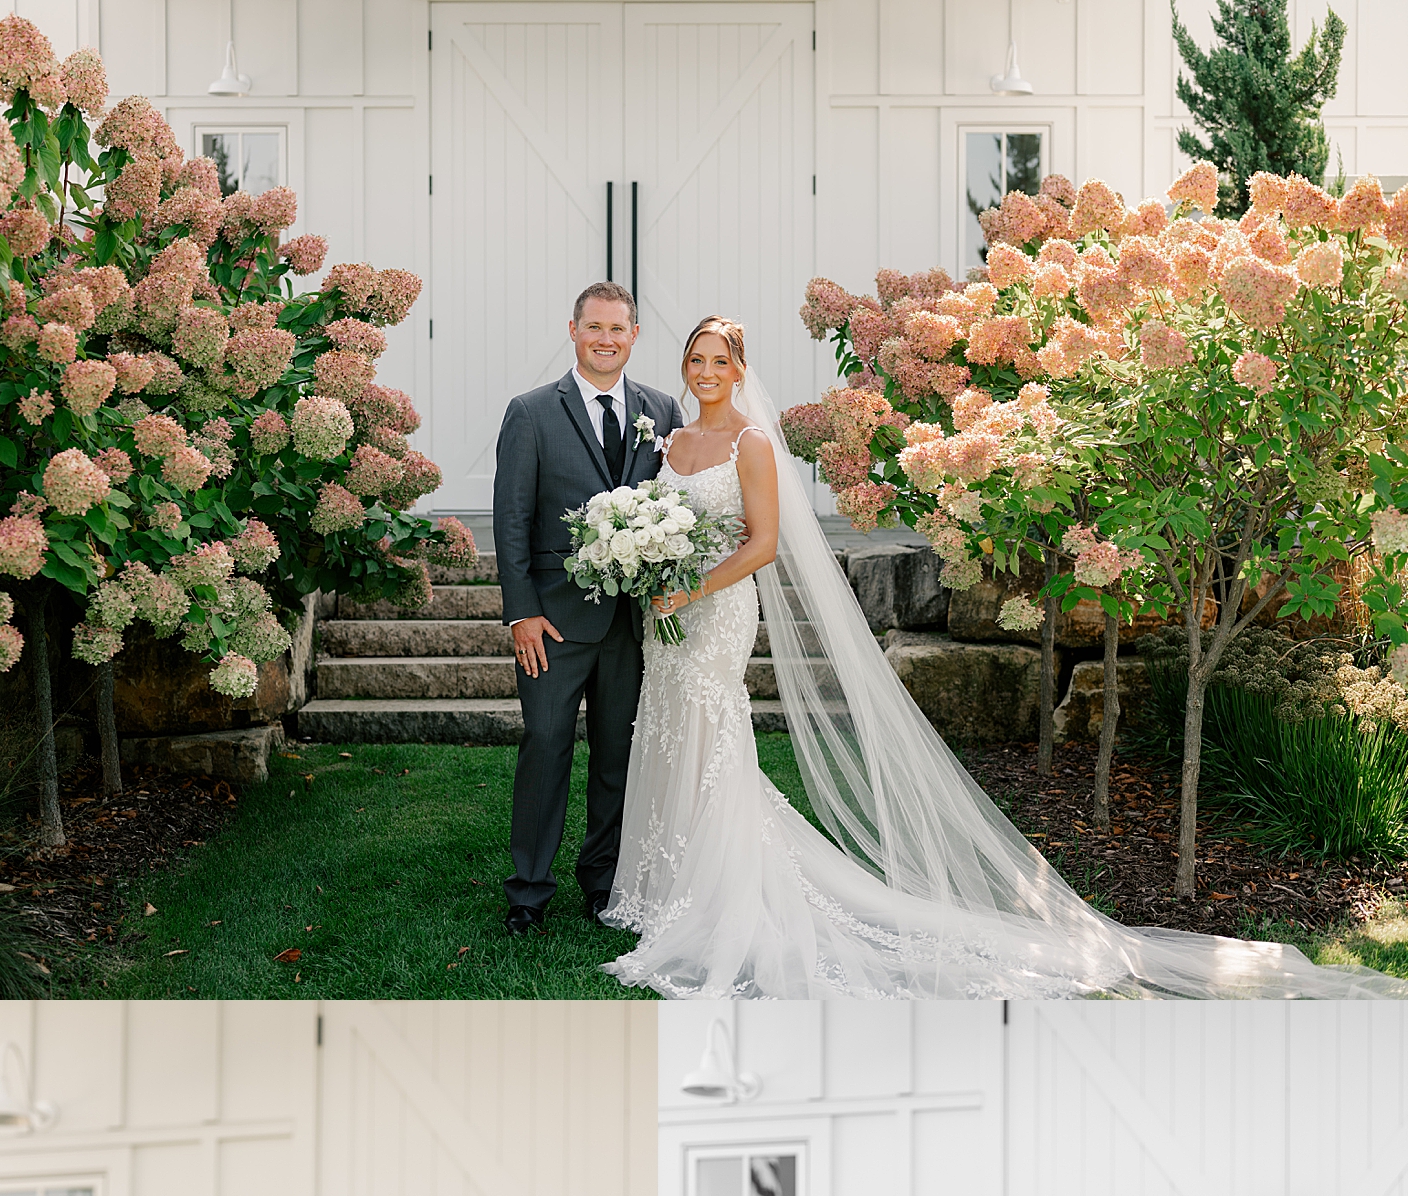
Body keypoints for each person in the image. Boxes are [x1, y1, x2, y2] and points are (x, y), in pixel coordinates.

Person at [597, 312, 1406, 999]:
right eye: (696, 360)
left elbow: (765, 543)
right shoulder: (670, 440)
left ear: (741, 370)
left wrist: (689, 591)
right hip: (666, 615)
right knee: (667, 728)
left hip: (713, 610)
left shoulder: (751, 444)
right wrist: (649, 569)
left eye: (720, 360)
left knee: (712, 733)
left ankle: (719, 891)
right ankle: (663, 882)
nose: (706, 371)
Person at [493, 284, 685, 935]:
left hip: (632, 625)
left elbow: (680, 506)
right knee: (546, 745)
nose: (606, 339)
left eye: (618, 328)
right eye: (594, 327)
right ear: (573, 330)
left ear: (634, 335)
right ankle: (528, 891)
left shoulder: (662, 409)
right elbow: (512, 520)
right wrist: (520, 612)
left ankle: (603, 882)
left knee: (618, 755)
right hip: (551, 621)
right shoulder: (531, 413)